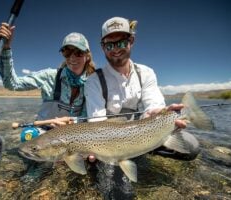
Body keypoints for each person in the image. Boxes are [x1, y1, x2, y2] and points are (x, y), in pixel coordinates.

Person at [84, 16, 200, 199]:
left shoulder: (146, 73)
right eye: (109, 45)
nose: (115, 50)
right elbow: (97, 122)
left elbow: (154, 104)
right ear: (102, 47)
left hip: (147, 134)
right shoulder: (93, 81)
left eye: (121, 42)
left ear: (131, 41)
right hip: (111, 146)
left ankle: (148, 151)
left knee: (192, 147)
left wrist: (156, 112)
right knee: (119, 195)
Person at [0, 23, 95, 127]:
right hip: (43, 132)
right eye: (67, 52)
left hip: (69, 134)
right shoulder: (50, 76)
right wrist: (5, 49)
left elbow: (86, 117)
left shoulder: (92, 84)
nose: (72, 57)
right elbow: (12, 84)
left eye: (78, 52)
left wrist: (72, 122)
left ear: (87, 56)